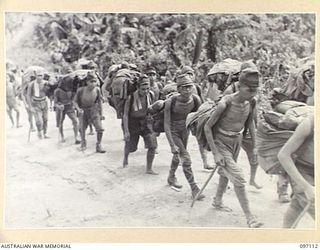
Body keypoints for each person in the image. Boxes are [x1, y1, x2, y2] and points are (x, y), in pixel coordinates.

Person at [204, 68, 263, 228]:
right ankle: (250, 216)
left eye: (255, 90)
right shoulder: (225, 103)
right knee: (238, 177)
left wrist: (255, 145)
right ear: (240, 85)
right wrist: (216, 153)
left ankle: (217, 201)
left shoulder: (252, 101)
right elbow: (208, 128)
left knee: (225, 172)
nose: (252, 93)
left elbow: (250, 121)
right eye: (249, 89)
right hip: (221, 141)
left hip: (237, 140)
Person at [164, 74, 205, 200]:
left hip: (185, 130)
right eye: (184, 87)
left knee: (179, 154)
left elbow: (201, 116)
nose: (188, 90)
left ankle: (171, 177)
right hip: (174, 131)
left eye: (190, 86)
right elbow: (166, 123)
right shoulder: (171, 102)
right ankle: (194, 189)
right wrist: (171, 144)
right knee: (185, 158)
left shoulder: (196, 99)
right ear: (179, 89)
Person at [223, 61, 262, 189]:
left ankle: (252, 179)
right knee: (230, 159)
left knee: (254, 155)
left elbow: (252, 113)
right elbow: (224, 114)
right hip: (233, 130)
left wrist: (255, 130)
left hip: (248, 126)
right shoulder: (230, 91)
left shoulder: (253, 90)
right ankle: (225, 180)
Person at [278, 114, 314, 228]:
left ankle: (285, 237)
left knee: (297, 204)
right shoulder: (310, 123)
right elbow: (283, 155)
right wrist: (306, 187)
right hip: (303, 171)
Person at [122, 75, 158, 175]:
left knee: (152, 145)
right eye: (143, 89)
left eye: (148, 88)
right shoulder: (131, 97)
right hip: (133, 123)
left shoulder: (150, 95)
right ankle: (125, 158)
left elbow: (153, 109)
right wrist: (126, 131)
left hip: (146, 121)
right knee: (131, 146)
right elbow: (125, 115)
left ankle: (149, 168)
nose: (145, 91)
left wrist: (155, 126)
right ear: (138, 87)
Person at [73, 72, 105, 153]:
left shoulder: (97, 90)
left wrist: (101, 114)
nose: (93, 84)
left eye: (95, 81)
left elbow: (99, 101)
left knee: (100, 129)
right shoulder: (81, 90)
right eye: (91, 81)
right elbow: (74, 101)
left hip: (94, 110)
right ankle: (83, 144)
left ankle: (99, 145)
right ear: (87, 82)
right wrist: (78, 109)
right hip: (83, 111)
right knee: (82, 129)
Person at [26, 69, 50, 139]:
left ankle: (45, 133)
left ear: (43, 76)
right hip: (35, 103)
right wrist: (30, 106)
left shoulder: (46, 83)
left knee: (45, 119)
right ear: (35, 76)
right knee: (39, 121)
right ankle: (39, 131)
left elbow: (49, 93)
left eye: (41, 75)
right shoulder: (31, 84)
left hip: (44, 102)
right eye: (38, 75)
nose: (40, 77)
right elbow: (28, 95)